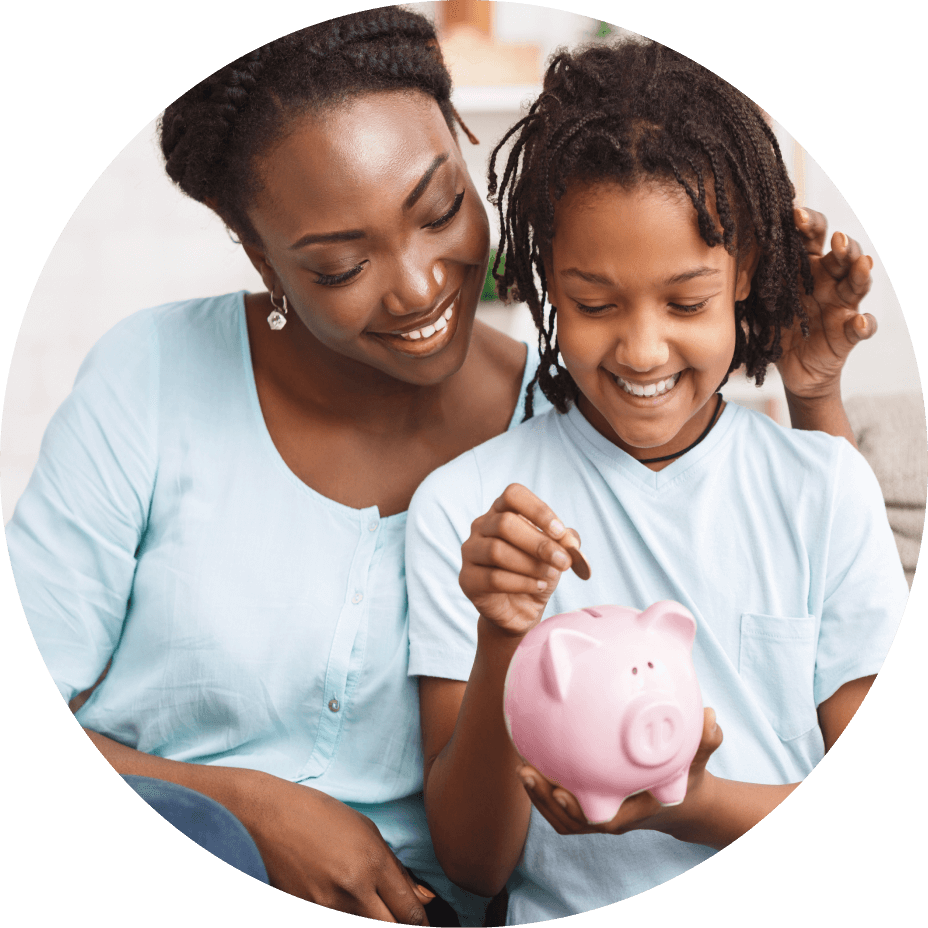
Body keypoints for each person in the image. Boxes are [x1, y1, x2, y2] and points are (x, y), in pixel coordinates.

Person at [9, 11, 876, 925]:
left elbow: (787, 541)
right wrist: (252, 810)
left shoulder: (575, 425)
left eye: (440, 210)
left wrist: (811, 393)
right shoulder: (153, 379)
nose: (421, 286)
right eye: (342, 266)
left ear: (467, 141)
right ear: (260, 255)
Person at [406, 38, 905, 924]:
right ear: (546, 282)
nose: (642, 351)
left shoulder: (825, 486)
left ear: (745, 271)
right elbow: (475, 866)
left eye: (686, 302)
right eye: (595, 304)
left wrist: (695, 806)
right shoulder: (468, 511)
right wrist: (499, 638)